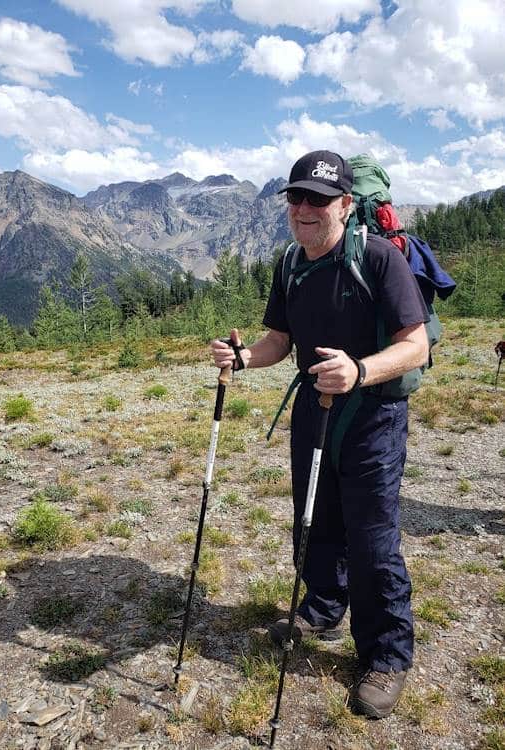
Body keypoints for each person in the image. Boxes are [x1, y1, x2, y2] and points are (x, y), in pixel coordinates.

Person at [211, 150, 429, 719]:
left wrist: (359, 369)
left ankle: (386, 655)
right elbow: (278, 341)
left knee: (373, 540)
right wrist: (242, 357)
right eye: (295, 197)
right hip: (313, 410)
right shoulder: (290, 263)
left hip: (372, 417)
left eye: (319, 199)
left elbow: (415, 344)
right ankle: (325, 608)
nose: (304, 209)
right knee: (316, 520)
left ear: (346, 205)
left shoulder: (379, 260)